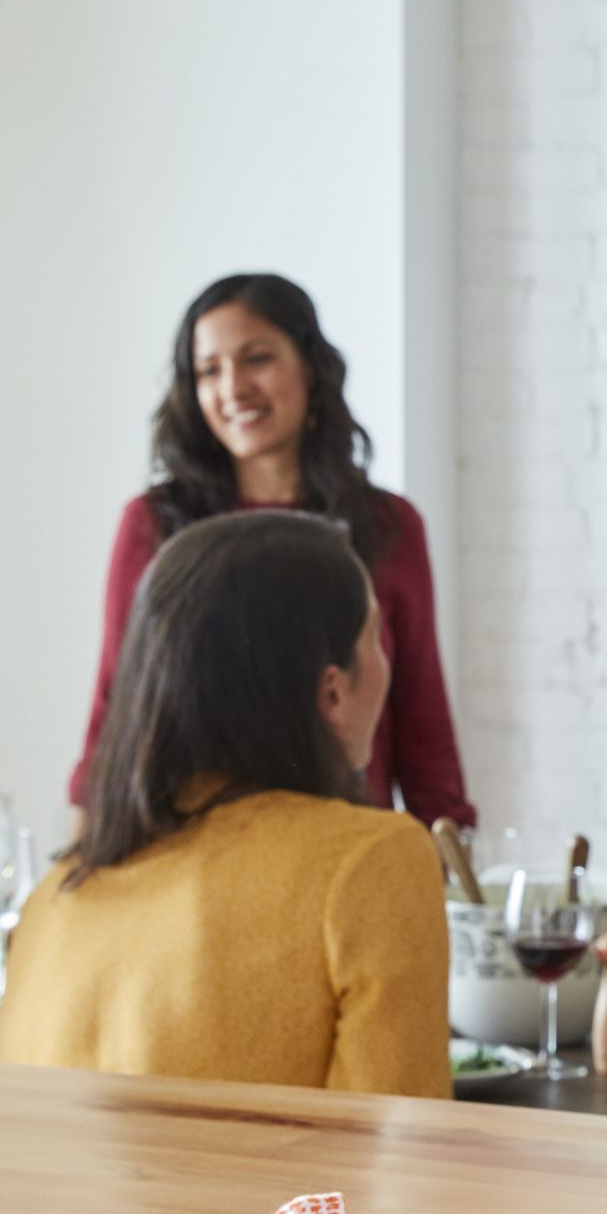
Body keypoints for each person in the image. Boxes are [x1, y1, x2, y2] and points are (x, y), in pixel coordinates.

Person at [0, 510, 451, 1096]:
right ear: (333, 690)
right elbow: (400, 1156)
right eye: (375, 637)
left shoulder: (54, 897)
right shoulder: (375, 861)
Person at [72, 273, 473, 828]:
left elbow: (421, 718)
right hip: (192, 854)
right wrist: (87, 857)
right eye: (209, 370)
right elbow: (118, 703)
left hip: (348, 849)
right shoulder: (153, 527)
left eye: (256, 358)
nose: (233, 387)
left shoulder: (388, 527)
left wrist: (453, 874)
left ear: (309, 367)